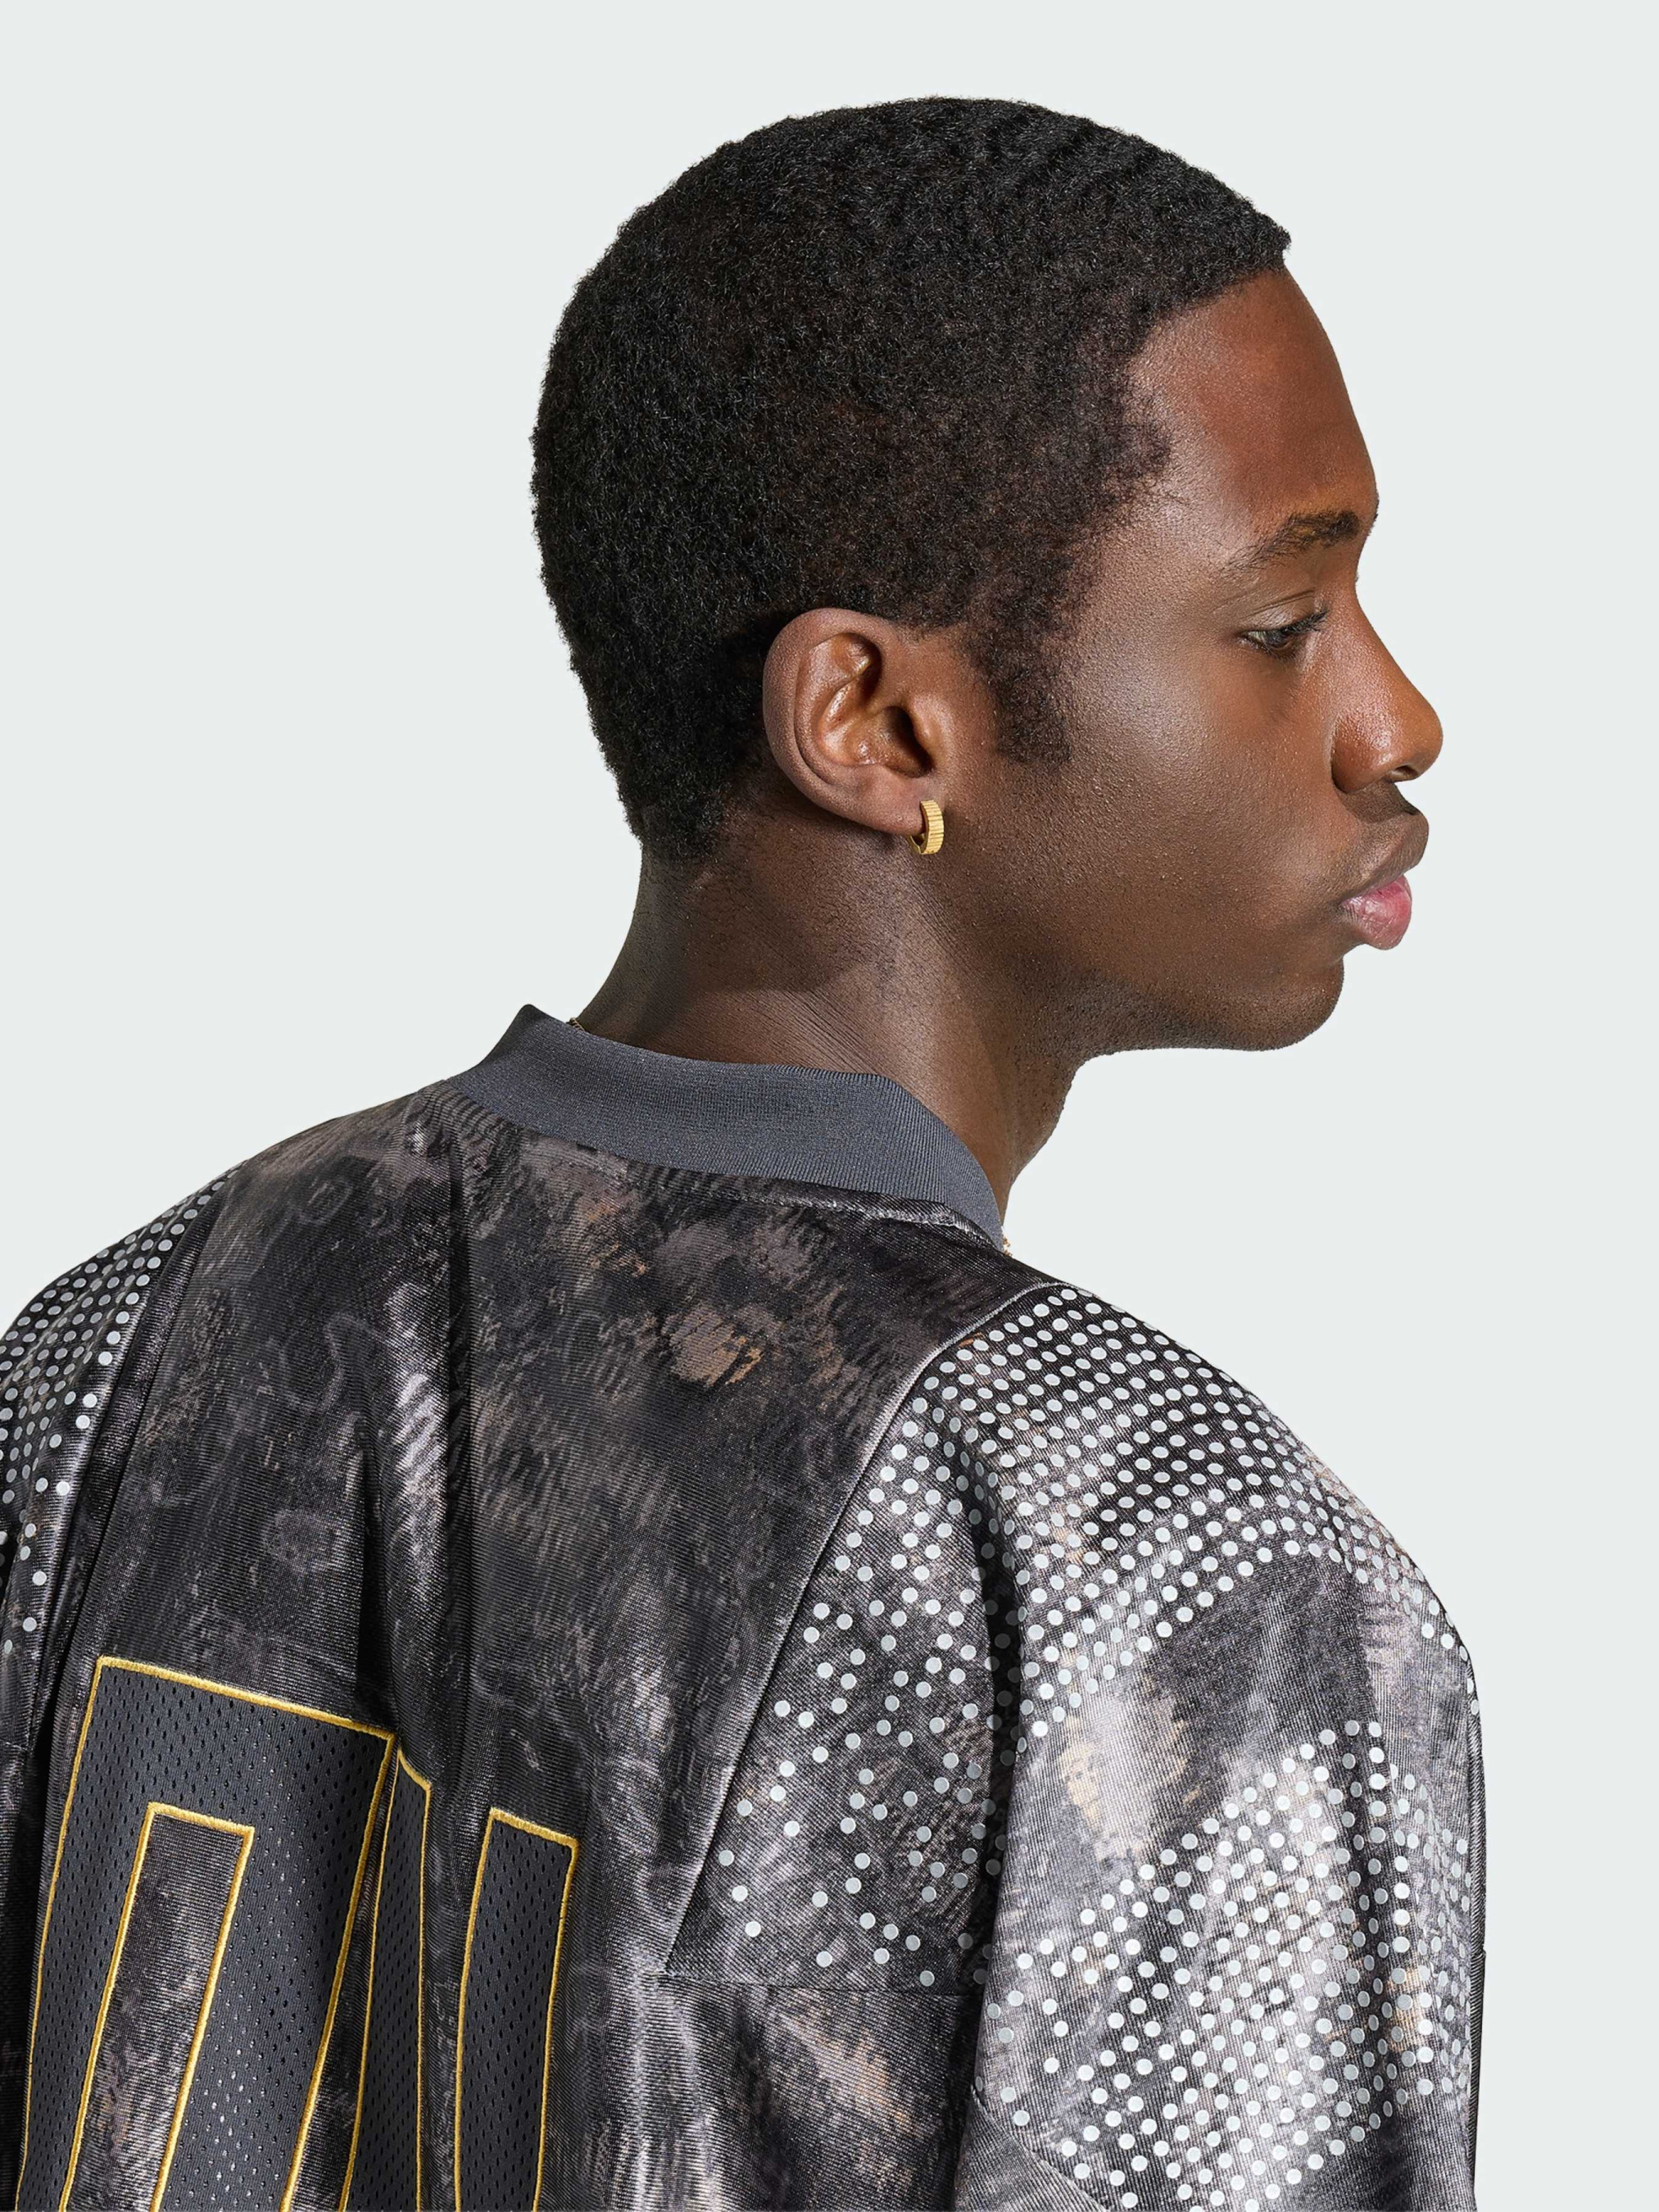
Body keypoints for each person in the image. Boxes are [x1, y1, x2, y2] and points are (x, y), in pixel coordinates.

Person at [0, 97, 1480, 2212]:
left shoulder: (106, 1359)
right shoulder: (1186, 1576)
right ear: (874, 724)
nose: (1394, 718)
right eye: (1279, 621)